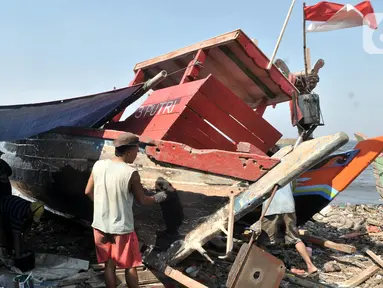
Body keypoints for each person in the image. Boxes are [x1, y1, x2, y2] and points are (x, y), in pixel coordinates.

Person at [85, 132, 171, 288]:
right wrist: (161, 196)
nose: (137, 154)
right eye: (137, 150)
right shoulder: (130, 172)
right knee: (130, 265)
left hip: (99, 225)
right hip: (121, 228)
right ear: (129, 151)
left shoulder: (99, 165)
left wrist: (102, 207)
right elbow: (143, 199)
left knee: (109, 264)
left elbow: (87, 191)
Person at [257, 182, 318, 276]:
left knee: (264, 240)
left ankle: (266, 266)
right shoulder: (288, 172)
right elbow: (294, 188)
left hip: (271, 208)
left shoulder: (266, 173)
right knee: (295, 239)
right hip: (289, 207)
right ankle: (310, 266)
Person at [0, 155, 45, 258]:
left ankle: (11, 248)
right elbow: (16, 235)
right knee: (4, 226)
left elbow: (28, 225)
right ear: (30, 212)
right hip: (3, 206)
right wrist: (19, 255)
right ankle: (6, 248)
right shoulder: (18, 214)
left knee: (13, 229)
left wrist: (23, 241)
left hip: (6, 192)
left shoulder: (30, 208)